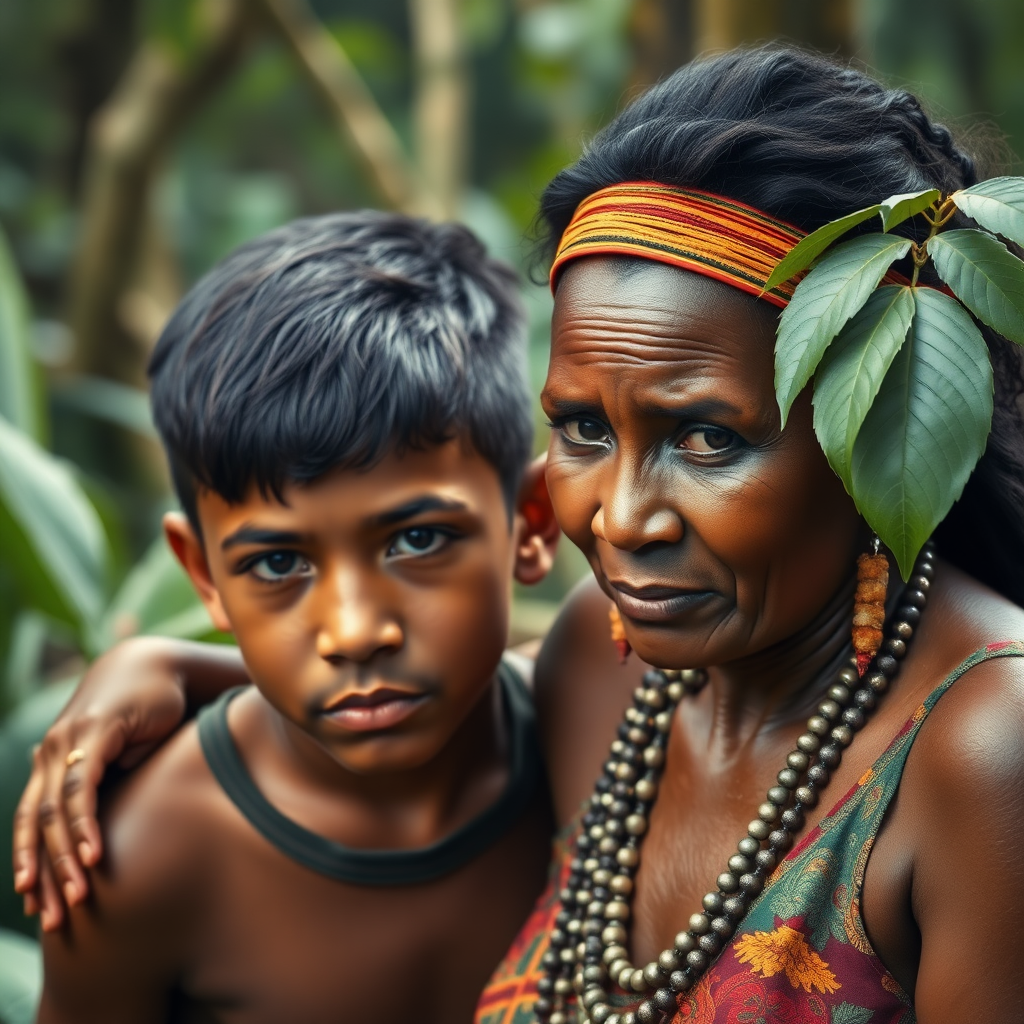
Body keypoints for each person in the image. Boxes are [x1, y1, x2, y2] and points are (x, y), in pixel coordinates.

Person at [15, 46, 1024, 1024]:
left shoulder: (982, 751)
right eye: (584, 428)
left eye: (708, 436)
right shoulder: (609, 658)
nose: (621, 519)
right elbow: (406, 689)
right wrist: (170, 667)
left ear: (876, 425)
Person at [27, 211, 560, 1023]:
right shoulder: (146, 854)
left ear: (530, 522)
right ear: (203, 575)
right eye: (277, 564)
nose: (353, 632)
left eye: (417, 540)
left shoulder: (594, 740)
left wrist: (173, 663)